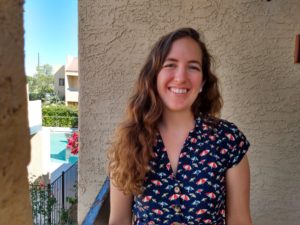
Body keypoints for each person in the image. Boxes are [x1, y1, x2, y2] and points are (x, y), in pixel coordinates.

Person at [108, 27, 252, 225]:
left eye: (193, 67)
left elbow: (239, 220)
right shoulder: (129, 139)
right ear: (154, 75)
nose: (181, 77)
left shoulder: (228, 140)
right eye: (170, 65)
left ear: (202, 82)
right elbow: (119, 220)